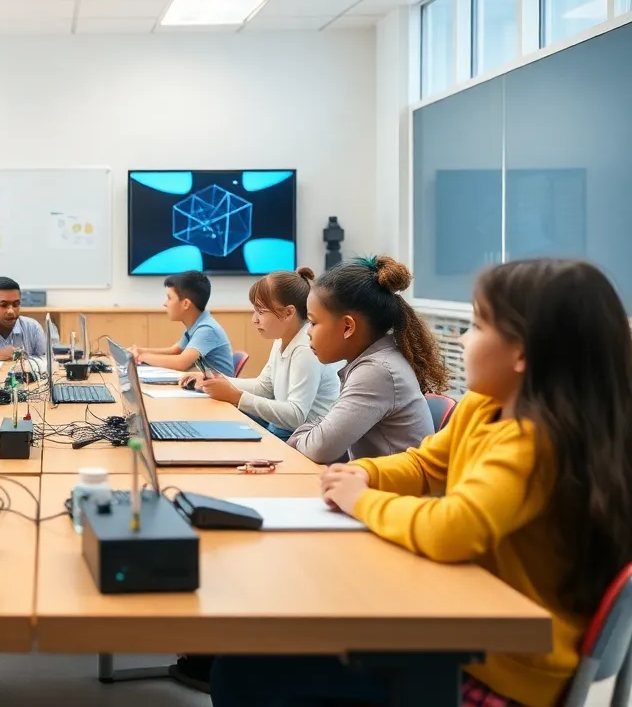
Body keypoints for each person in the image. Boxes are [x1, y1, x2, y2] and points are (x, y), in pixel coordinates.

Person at [213, 258, 632, 707]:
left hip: (499, 668)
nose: (463, 338)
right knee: (254, 661)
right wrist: (364, 473)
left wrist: (362, 501)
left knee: (246, 675)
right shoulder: (482, 407)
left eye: (476, 326)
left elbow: (454, 527)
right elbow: (425, 464)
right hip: (468, 626)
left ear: (523, 353)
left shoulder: (533, 441)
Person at [287, 256, 447, 464]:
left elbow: (319, 448)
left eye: (313, 323)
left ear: (348, 327)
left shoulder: (377, 372)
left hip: (393, 485)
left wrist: (299, 436)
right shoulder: (374, 361)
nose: (308, 332)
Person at [181, 267, 340, 441]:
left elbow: (296, 416)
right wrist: (218, 379)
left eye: (261, 312)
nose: (254, 319)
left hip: (301, 438)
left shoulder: (305, 349)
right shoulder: (282, 339)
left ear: (288, 312)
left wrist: (237, 397)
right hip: (283, 429)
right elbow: (264, 387)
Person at [128, 270, 233, 374]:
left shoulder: (207, 329)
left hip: (216, 385)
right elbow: (175, 350)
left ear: (186, 304)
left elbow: (180, 363)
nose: (165, 303)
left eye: (169, 298)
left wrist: (141, 357)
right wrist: (141, 351)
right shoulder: (196, 325)